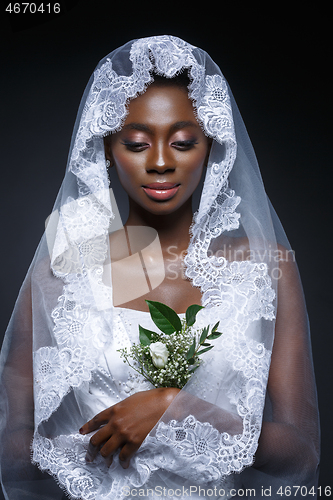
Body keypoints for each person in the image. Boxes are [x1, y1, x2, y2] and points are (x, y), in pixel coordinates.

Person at [0, 35, 320, 500]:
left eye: (184, 141)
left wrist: (176, 408)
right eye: (136, 143)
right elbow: (12, 448)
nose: (161, 162)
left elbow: (302, 453)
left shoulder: (264, 271)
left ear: (212, 146)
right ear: (107, 146)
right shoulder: (61, 275)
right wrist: (87, 451)